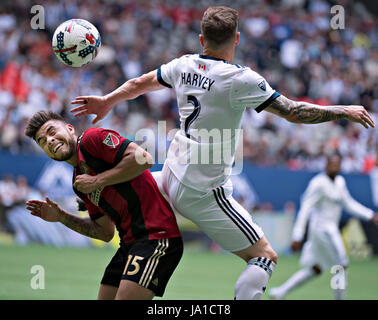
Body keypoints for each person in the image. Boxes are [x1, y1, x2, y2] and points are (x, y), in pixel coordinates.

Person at [70, 6, 375, 299]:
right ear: (237, 38)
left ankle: (97, 195)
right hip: (202, 192)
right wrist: (342, 111)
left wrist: (107, 100)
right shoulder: (241, 79)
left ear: (202, 39)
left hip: (171, 176)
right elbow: (293, 112)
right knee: (264, 256)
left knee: (135, 187)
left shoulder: (183, 64)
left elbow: (140, 83)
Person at [24, 110, 183, 300]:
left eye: (52, 131)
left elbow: (144, 159)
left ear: (69, 128)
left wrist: (97, 181)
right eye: (42, 141)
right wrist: (61, 217)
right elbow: (104, 233)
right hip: (129, 245)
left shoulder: (92, 139)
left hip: (157, 237)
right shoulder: (79, 182)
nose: (49, 140)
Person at [269, 153, 378, 300]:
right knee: (341, 264)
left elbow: (348, 203)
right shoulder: (318, 183)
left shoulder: (340, 182)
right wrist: (297, 235)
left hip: (330, 230)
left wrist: (370, 215)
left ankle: (280, 292)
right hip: (322, 231)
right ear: (326, 165)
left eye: (337, 164)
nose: (334, 167)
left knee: (316, 268)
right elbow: (306, 208)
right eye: (331, 164)